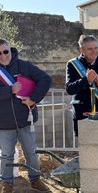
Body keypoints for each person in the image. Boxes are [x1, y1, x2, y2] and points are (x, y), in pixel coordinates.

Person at [0, 38, 51, 192]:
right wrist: (10, 90)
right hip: (4, 123)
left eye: (5, 51)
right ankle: (6, 183)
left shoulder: (24, 65)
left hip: (25, 121)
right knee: (7, 155)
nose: (3, 56)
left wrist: (34, 99)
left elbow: (45, 79)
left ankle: (35, 180)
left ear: (10, 50)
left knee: (31, 152)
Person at [66, 35, 98, 136]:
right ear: (82, 49)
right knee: (86, 147)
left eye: (96, 48)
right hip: (82, 112)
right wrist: (86, 80)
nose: (94, 51)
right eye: (90, 49)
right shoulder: (72, 64)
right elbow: (69, 89)